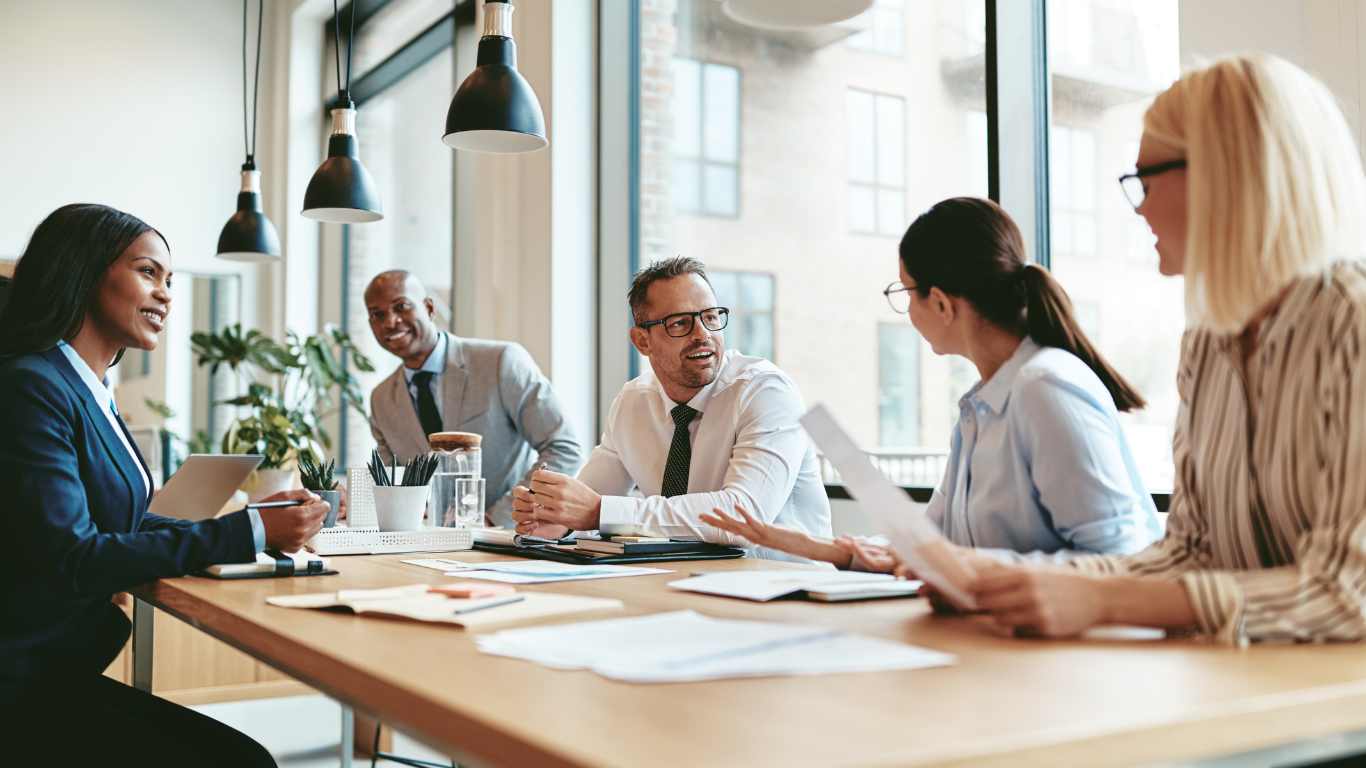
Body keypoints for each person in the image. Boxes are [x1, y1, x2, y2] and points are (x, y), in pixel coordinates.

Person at [926, 53, 1366, 645]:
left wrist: (1104, 600)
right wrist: (1010, 578)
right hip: (1248, 686)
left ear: (1224, 174)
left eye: (1145, 179)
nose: (1139, 208)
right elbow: (1188, 554)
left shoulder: (1353, 324)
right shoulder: (1208, 344)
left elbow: (1348, 593)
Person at [0, 204, 329, 767]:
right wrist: (244, 530)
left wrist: (249, 528)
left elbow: (118, 522)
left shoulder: (90, 389)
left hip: (56, 669)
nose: (167, 295)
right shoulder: (33, 385)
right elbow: (74, 557)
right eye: (148, 272)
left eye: (170, 281)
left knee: (245, 757)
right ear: (83, 271)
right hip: (23, 680)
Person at [703, 197, 1161, 568]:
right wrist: (822, 548)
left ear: (941, 303)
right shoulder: (978, 408)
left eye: (904, 292)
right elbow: (936, 547)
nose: (906, 312)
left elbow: (1119, 560)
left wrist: (973, 567)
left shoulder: (1046, 389)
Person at [510, 256, 832, 562]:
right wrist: (556, 518)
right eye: (680, 323)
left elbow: (742, 515)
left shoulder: (766, 392)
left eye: (710, 317)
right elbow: (591, 497)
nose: (703, 334)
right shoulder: (633, 402)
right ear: (642, 342)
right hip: (685, 582)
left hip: (786, 592)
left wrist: (598, 513)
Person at [365, 270, 586, 528]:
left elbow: (564, 449)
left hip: (507, 536)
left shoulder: (501, 362)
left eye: (401, 306)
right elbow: (392, 483)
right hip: (426, 544)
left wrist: (497, 517)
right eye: (377, 314)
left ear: (429, 308)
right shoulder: (381, 400)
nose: (390, 322)